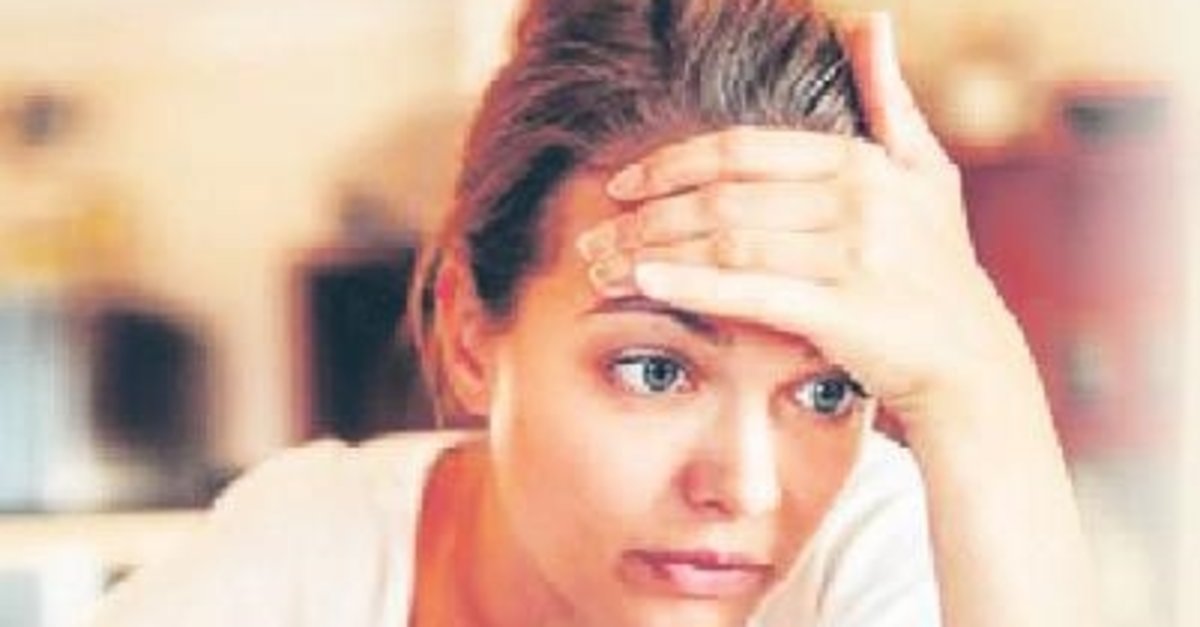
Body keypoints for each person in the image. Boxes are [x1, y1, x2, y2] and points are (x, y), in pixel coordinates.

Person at [91, 1, 1095, 626]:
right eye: (656, 370)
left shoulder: (874, 543)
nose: (742, 489)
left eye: (827, 391)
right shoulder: (316, 555)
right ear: (471, 334)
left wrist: (985, 386)